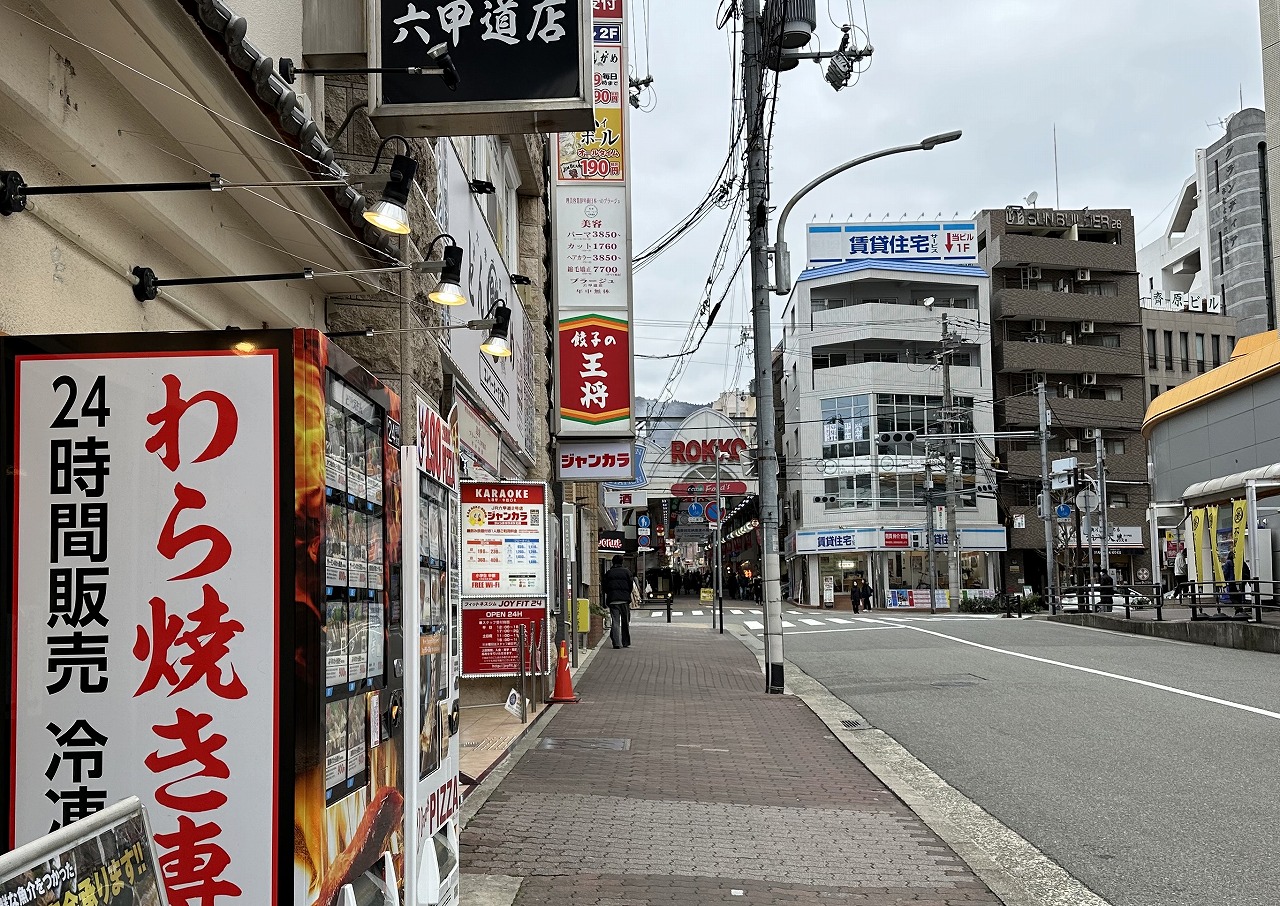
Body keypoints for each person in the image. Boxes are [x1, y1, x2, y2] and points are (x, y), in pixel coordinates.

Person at [602, 554, 633, 649]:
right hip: (624, 600)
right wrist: (626, 593)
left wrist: (610, 593)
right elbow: (630, 586)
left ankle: (616, 643)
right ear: (622, 562)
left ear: (613, 562)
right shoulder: (627, 572)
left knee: (615, 621)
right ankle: (625, 642)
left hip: (613, 600)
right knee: (625, 621)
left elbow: (604, 587)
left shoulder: (609, 573)